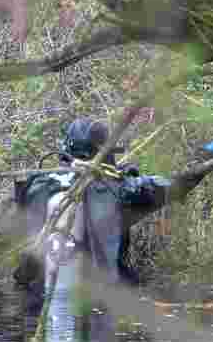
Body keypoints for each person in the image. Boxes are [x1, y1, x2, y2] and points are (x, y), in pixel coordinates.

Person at [11, 117, 178, 299]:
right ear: (104, 153)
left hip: (43, 290)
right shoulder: (116, 187)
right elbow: (172, 184)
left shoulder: (36, 183)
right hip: (101, 292)